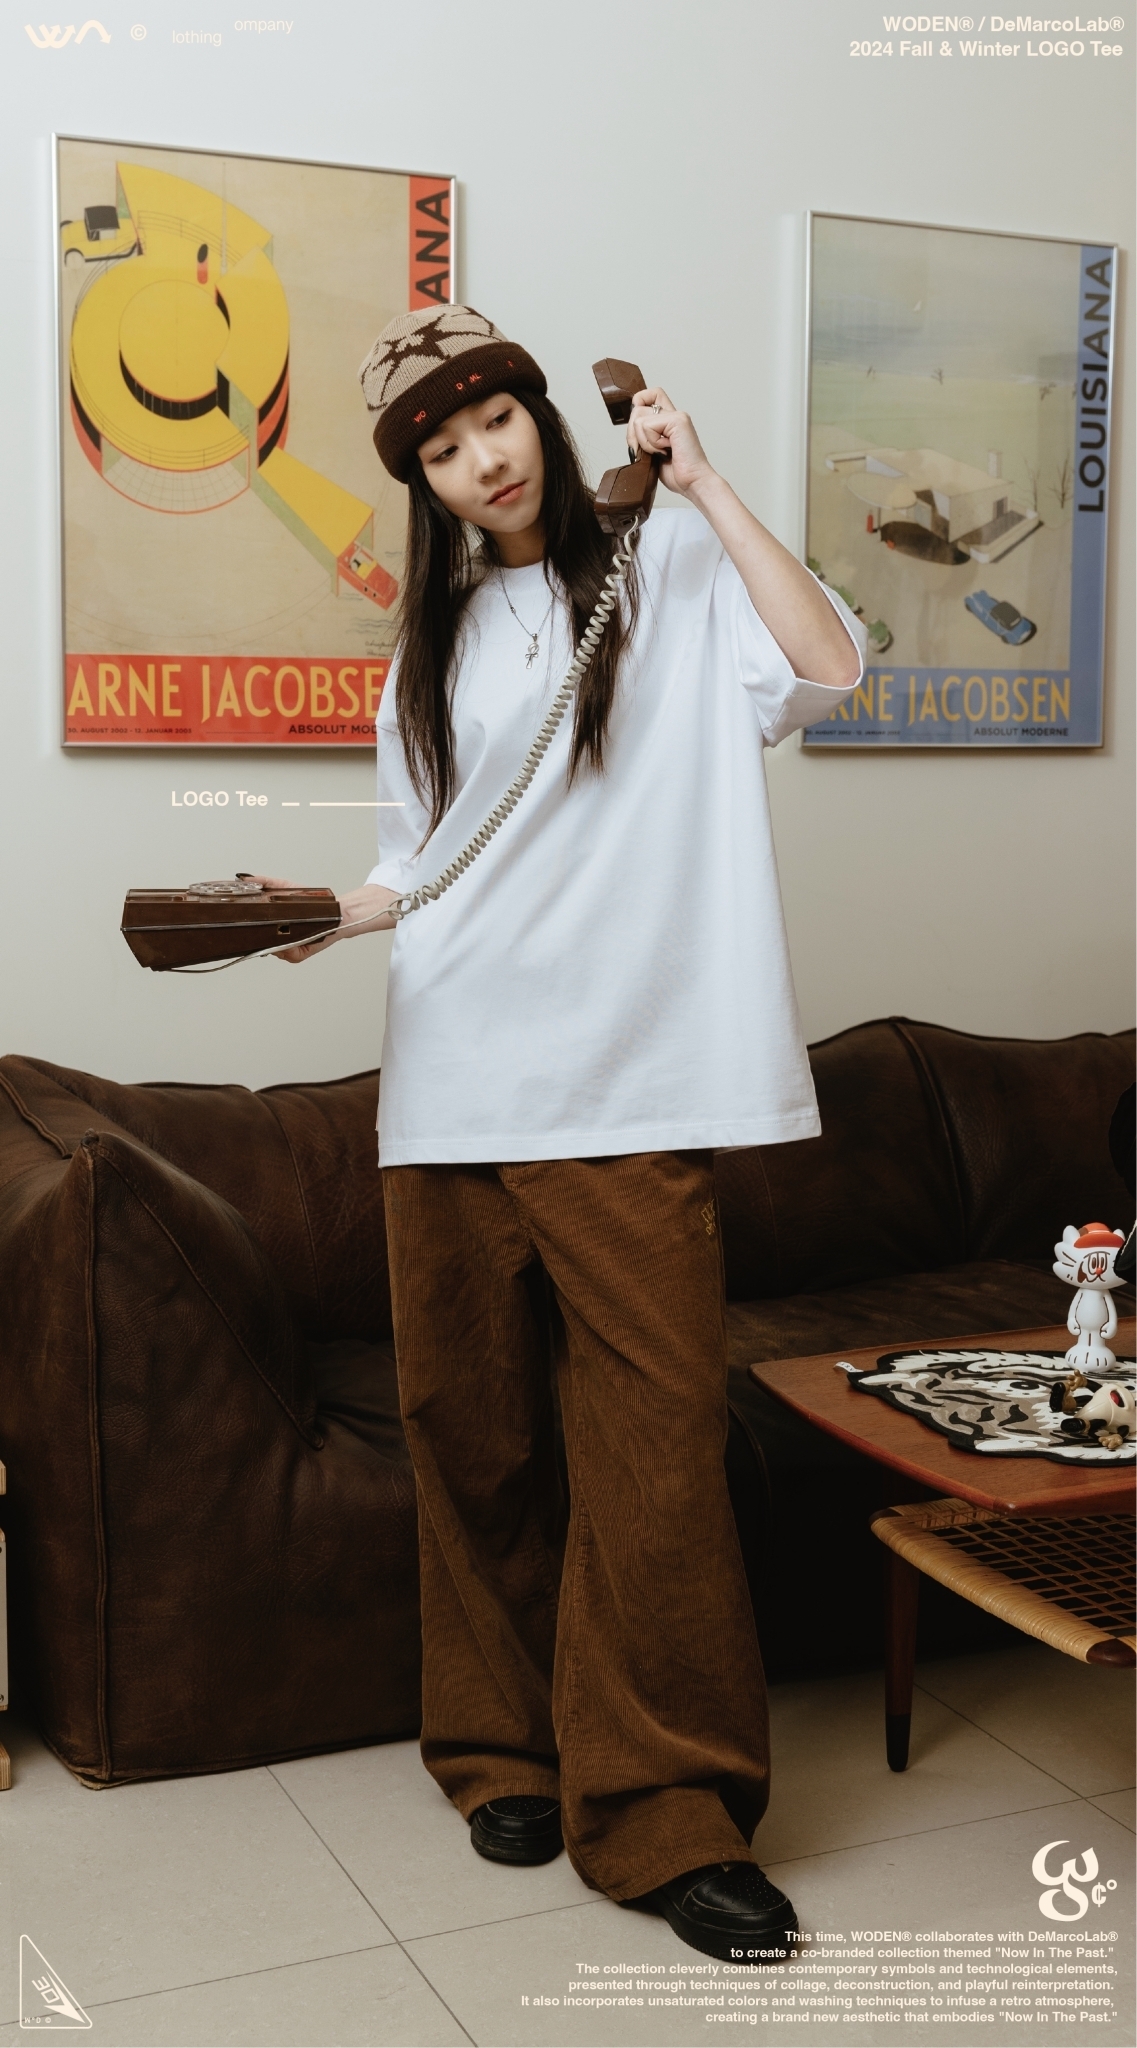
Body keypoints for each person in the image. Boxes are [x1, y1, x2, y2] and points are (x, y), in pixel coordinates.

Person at [271, 304, 863, 1964]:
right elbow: (419, 857)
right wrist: (328, 914)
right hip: (452, 1082)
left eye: (496, 419)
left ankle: (667, 1813)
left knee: (655, 1456)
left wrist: (708, 481)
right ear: (423, 486)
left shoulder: (670, 568)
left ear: (541, 410)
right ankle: (503, 1751)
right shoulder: (436, 641)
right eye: (443, 450)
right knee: (472, 1436)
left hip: (634, 1088)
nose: (484, 460)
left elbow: (829, 669)